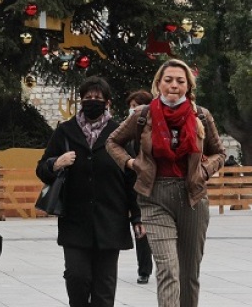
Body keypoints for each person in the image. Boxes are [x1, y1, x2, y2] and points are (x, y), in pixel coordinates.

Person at [107, 59, 225, 307]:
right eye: (168, 80)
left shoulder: (201, 115)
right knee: (168, 270)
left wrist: (205, 170)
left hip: (192, 197)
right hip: (154, 196)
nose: (174, 85)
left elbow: (219, 152)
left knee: (188, 274)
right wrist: (130, 163)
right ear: (158, 84)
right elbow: (112, 142)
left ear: (188, 86)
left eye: (180, 81)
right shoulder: (142, 115)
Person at [37, 77, 142, 307]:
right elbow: (42, 169)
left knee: (104, 286)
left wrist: (136, 216)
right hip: (75, 220)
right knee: (77, 278)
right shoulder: (65, 131)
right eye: (87, 97)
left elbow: (132, 177)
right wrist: (56, 163)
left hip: (110, 219)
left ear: (107, 102)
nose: (92, 101)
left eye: (97, 98)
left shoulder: (120, 133)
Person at [126, 89, 156, 285]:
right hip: (134, 190)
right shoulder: (127, 132)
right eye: (131, 107)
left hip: (155, 189)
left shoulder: (155, 130)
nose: (133, 110)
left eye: (136, 106)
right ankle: (144, 269)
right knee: (140, 229)